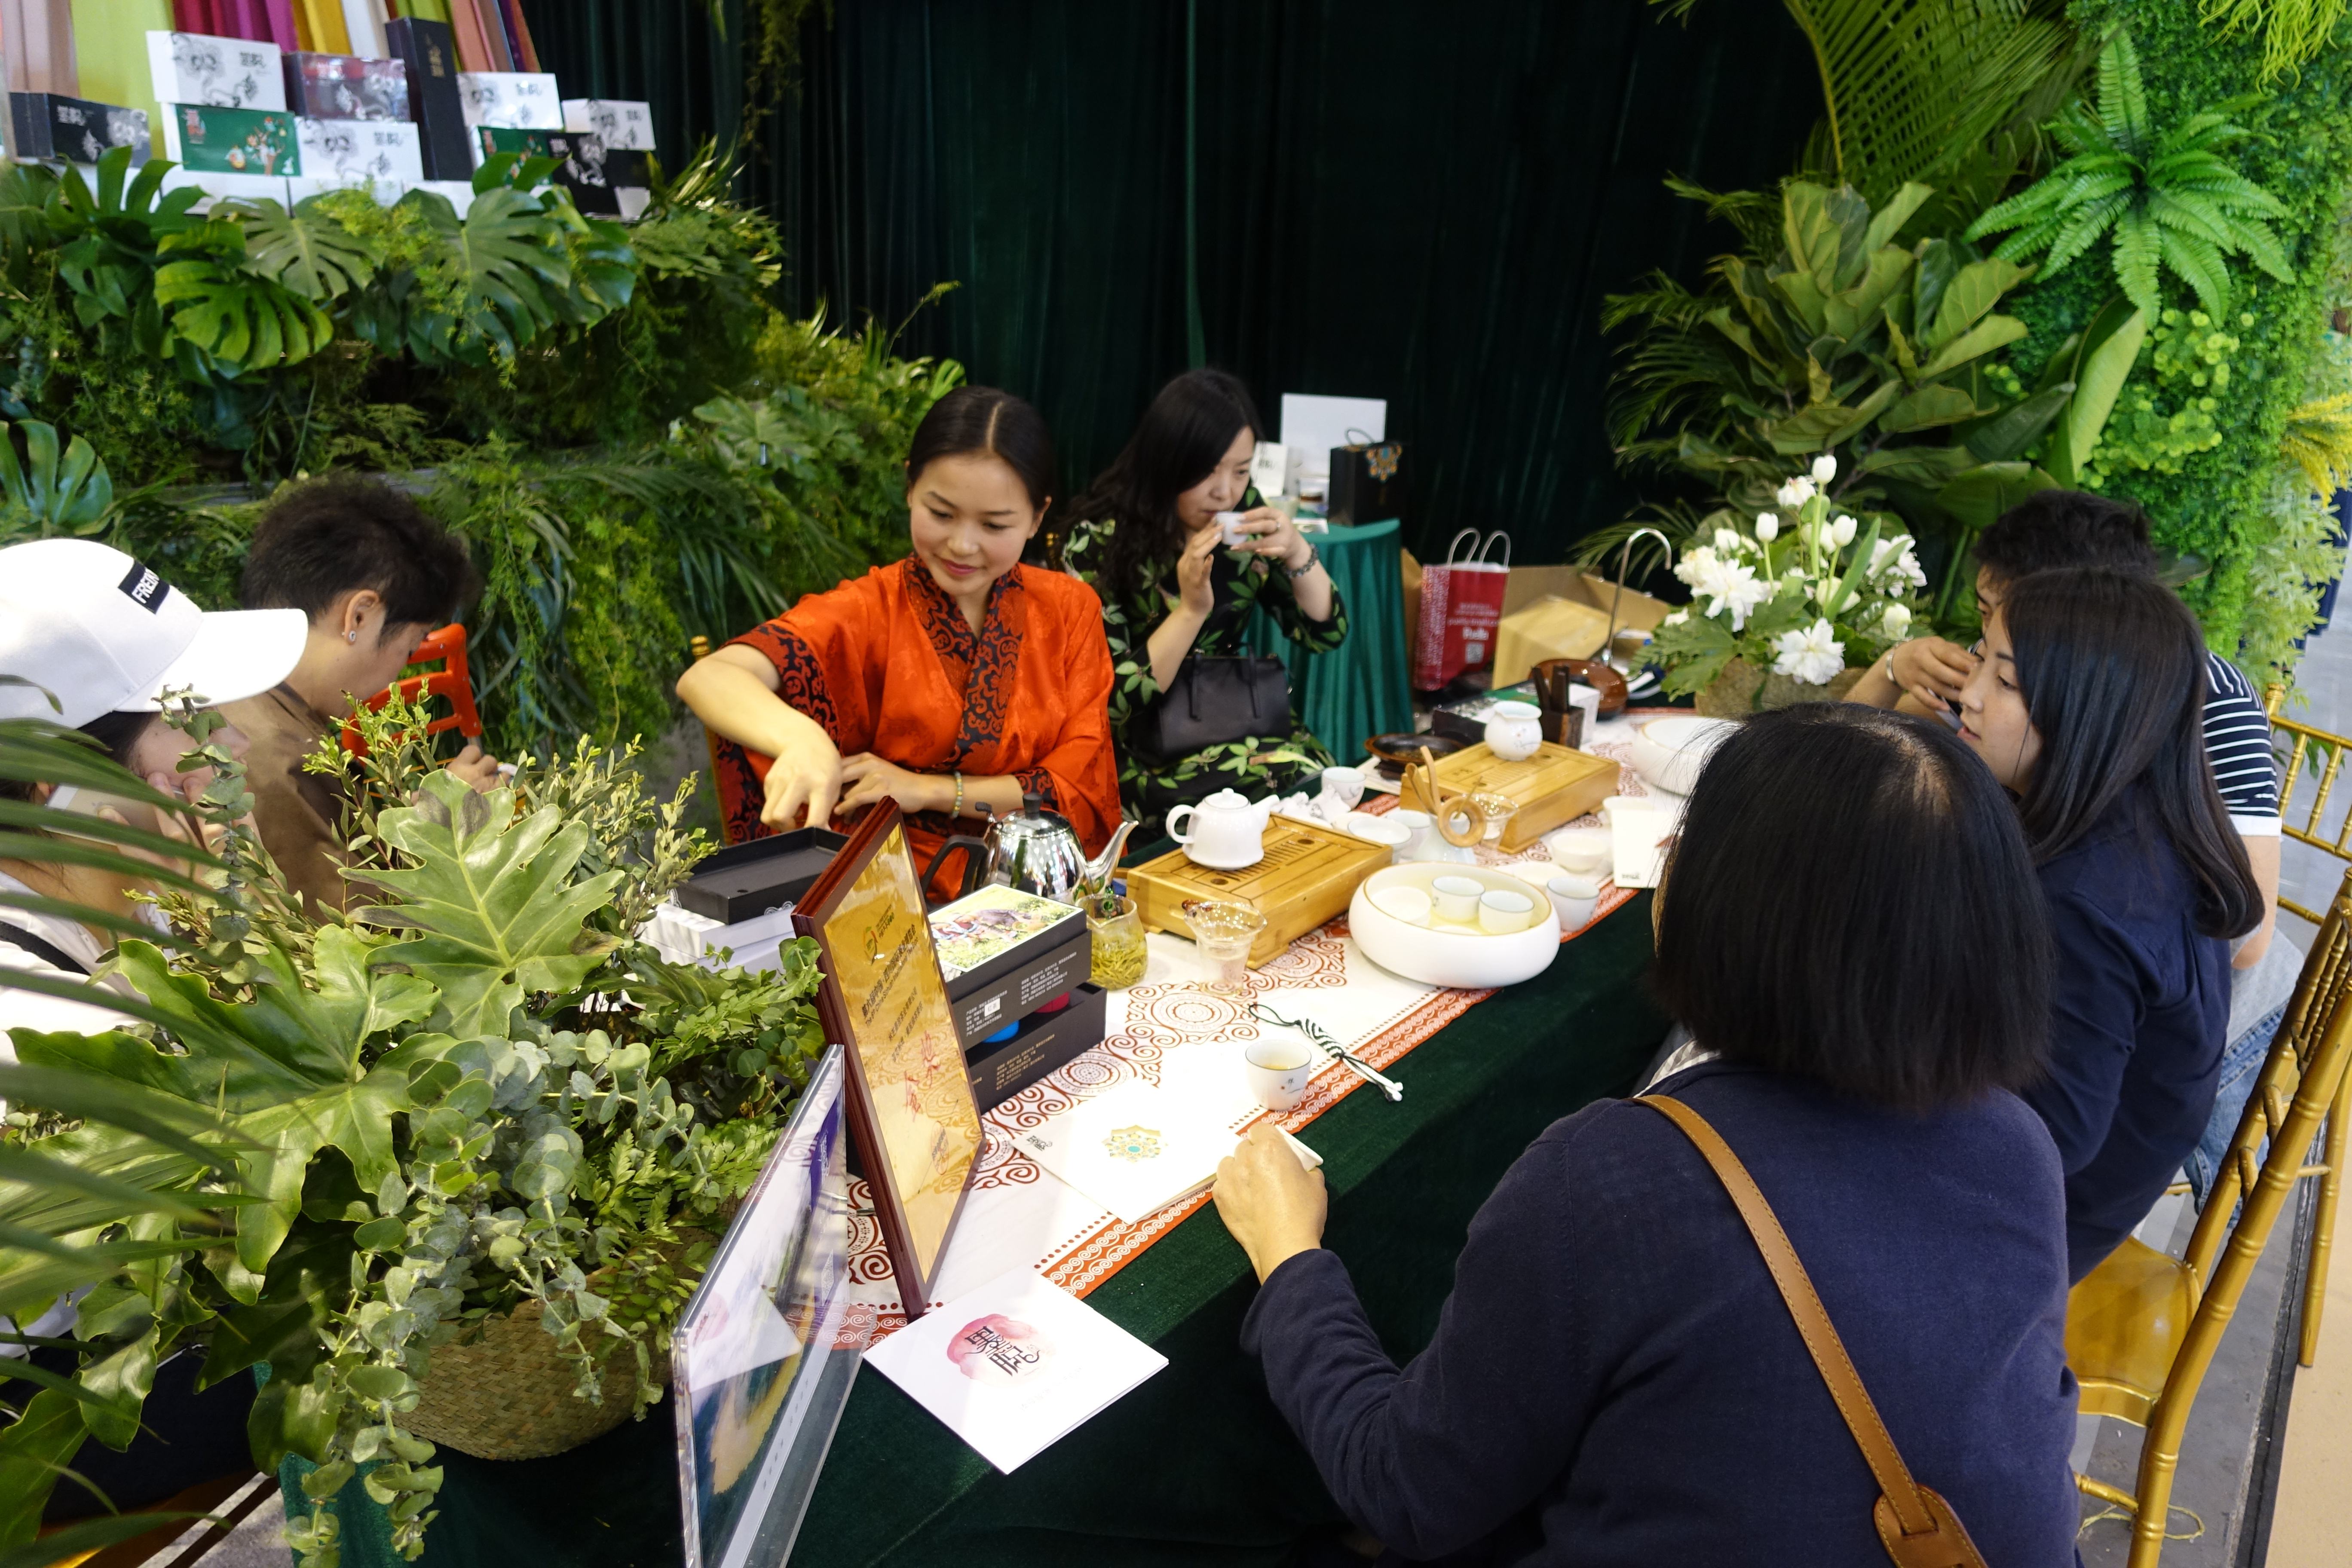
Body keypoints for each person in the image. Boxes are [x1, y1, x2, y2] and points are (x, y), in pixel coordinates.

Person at [1212, 704, 2078, 1563]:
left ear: (1728, 913)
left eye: (1688, 849)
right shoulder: (2017, 1146)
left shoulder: (1619, 1178)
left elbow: (1407, 1490)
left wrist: (1289, 1258)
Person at [677, 386, 1121, 896]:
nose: (962, 544)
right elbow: (710, 676)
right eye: (941, 513)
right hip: (895, 894)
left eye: (995, 525)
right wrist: (802, 739)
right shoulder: (870, 610)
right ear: (910, 487)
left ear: (1039, 517)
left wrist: (929, 791)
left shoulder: (1069, 609)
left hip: (1038, 882)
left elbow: (1076, 786)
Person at [1954, 567, 2263, 1278]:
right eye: (1979, 658)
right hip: (2080, 1184)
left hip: (2036, 1231)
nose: (1968, 693)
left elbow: (2047, 1141)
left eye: (2004, 681)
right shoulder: (2139, 812)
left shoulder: (2086, 901)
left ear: (2084, 708)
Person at [0, 539, 306, 1045]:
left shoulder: (146, 892)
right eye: (191, 719)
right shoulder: (46, 1029)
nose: (237, 741)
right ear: (65, 781)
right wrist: (246, 935)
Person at [1062, 369, 1346, 836]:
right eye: (1207, 471)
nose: (1225, 491)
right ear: (1166, 462)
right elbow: (1110, 700)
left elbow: (1326, 632)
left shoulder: (1241, 516)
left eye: (1240, 470)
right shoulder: (1098, 541)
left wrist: (1297, 551)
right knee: (1235, 813)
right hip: (1151, 746)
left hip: (1238, 716)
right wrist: (1190, 611)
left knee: (1317, 781)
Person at [227, 476, 498, 917]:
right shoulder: (271, 758)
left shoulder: (232, 687)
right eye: (409, 649)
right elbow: (355, 943)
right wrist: (441, 823)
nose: (396, 675)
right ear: (359, 615)